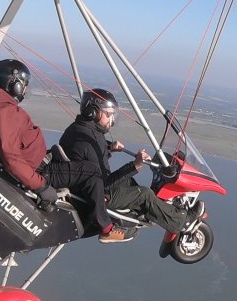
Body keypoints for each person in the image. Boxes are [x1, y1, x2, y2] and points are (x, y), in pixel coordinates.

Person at [0, 59, 113, 234]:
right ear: (14, 84)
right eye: (24, 85)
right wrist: (42, 187)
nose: (25, 90)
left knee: (86, 171)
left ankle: (98, 220)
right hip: (41, 172)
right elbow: (12, 160)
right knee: (93, 171)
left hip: (40, 163)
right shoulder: (3, 112)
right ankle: (105, 227)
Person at [59, 88, 204, 243]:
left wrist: (108, 149)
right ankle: (182, 223)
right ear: (92, 112)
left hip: (81, 188)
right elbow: (102, 185)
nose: (111, 119)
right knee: (144, 194)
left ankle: (155, 211)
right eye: (108, 114)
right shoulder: (90, 140)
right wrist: (134, 166)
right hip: (95, 197)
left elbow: (85, 158)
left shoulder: (77, 129)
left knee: (129, 182)